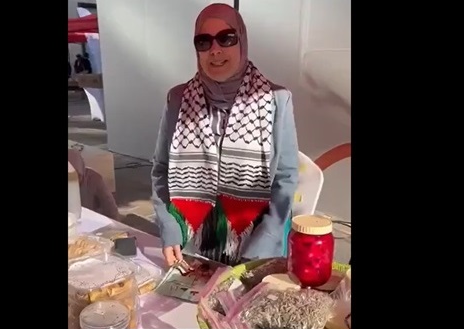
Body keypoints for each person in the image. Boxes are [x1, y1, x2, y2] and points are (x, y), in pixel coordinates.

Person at [151, 3, 299, 267]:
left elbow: (285, 179)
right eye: (204, 41)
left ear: (242, 40)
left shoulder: (276, 99)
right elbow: (161, 169)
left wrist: (263, 244)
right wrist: (169, 227)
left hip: (257, 246)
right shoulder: (178, 99)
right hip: (190, 246)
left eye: (226, 38)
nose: (215, 49)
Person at [68, 149, 120, 221]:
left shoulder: (94, 178)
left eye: (77, 175)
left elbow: (110, 207)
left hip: (92, 220)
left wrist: (115, 224)